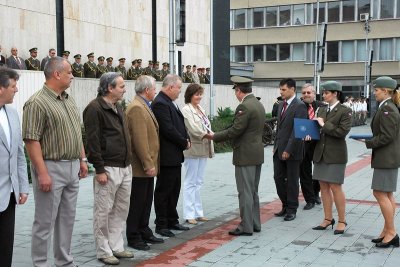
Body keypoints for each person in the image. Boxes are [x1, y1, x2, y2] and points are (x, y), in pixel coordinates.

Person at [22, 57, 88, 267]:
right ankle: (40, 263)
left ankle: (64, 261)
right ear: (56, 74)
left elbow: (75, 132)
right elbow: (31, 140)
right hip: (51, 167)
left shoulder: (68, 98)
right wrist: (41, 173)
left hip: (72, 167)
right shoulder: (36, 102)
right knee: (45, 221)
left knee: (67, 219)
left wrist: (82, 159)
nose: (72, 76)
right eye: (69, 72)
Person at [83, 72, 134, 264]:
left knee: (121, 209)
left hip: (124, 166)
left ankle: (116, 246)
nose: (124, 89)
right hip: (108, 168)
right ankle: (103, 250)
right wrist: (99, 169)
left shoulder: (118, 106)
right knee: (103, 211)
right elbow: (92, 141)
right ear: (109, 88)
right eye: (121, 86)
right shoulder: (94, 108)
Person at [205, 76, 265, 235]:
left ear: (239, 90)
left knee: (245, 191)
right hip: (257, 153)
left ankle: (246, 227)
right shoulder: (258, 104)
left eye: (235, 91)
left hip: (245, 155)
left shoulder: (244, 106)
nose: (235, 94)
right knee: (253, 191)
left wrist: (214, 136)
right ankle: (255, 223)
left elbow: (235, 130)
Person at [125, 75, 164, 251]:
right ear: (147, 90)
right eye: (154, 88)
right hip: (141, 166)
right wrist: (149, 164)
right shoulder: (137, 108)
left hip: (147, 165)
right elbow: (140, 140)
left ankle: (144, 230)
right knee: (138, 202)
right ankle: (134, 235)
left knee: (146, 200)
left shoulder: (143, 105)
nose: (156, 91)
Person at [151, 74, 191, 237]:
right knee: (164, 191)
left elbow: (179, 125)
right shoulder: (160, 103)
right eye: (179, 88)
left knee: (174, 189)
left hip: (174, 155)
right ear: (170, 87)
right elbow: (168, 129)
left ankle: (172, 220)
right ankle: (161, 224)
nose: (180, 92)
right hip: (167, 156)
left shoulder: (169, 102)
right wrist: (183, 142)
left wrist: (186, 138)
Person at [310, 81, 352, 235]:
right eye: (323, 92)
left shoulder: (345, 111)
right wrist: (309, 134)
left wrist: (323, 124)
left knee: (335, 187)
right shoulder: (321, 109)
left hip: (336, 155)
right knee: (323, 187)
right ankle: (328, 219)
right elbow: (317, 130)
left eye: (327, 92)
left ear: (336, 93)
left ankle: (342, 220)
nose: (324, 95)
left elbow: (341, 132)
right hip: (320, 153)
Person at [364, 76, 400, 248]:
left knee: (379, 193)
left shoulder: (388, 109)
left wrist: (369, 142)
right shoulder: (386, 106)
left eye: (376, 90)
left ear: (385, 91)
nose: (374, 92)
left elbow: (387, 136)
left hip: (387, 158)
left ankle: (392, 232)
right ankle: (387, 230)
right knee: (387, 194)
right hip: (387, 157)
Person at [0, 67, 29, 267]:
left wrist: (23, 186)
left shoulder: (12, 113)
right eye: (13, 86)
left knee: (5, 247)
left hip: (9, 194)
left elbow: (19, 153)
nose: (16, 90)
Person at [273, 78, 307, 221]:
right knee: (278, 178)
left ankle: (292, 209)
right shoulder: (281, 104)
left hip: (293, 150)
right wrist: (276, 146)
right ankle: (285, 205)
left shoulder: (300, 106)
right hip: (279, 148)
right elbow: (280, 127)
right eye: (280, 89)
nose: (281, 92)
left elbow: (297, 131)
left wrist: (288, 149)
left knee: (292, 180)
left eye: (284, 89)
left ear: (293, 89)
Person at [182, 83, 214, 225]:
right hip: (193, 149)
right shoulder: (186, 110)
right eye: (197, 94)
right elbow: (194, 129)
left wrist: (210, 135)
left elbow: (206, 126)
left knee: (199, 182)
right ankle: (189, 214)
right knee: (190, 182)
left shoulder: (200, 108)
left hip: (204, 148)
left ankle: (198, 212)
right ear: (190, 95)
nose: (199, 97)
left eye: (200, 94)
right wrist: (210, 136)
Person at [300, 83, 326, 208]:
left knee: (318, 171)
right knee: (304, 172)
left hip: (318, 143)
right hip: (303, 143)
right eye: (304, 93)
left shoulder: (322, 107)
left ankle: (316, 192)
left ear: (314, 94)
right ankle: (309, 199)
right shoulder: (298, 106)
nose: (306, 95)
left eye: (308, 92)